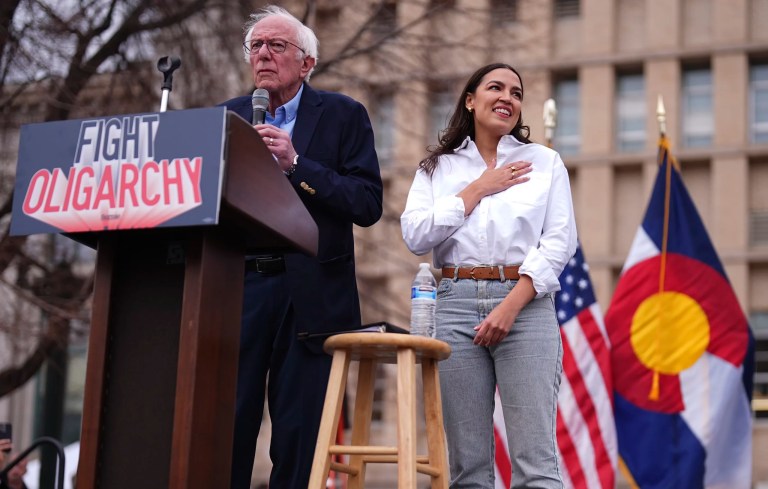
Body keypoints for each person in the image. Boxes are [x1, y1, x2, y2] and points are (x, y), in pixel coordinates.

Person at [220, 5, 383, 489]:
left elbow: (367, 203)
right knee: (226, 427)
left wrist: (297, 165)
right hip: (236, 290)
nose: (263, 55)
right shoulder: (224, 117)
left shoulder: (343, 115)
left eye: (277, 46)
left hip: (310, 296)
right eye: (256, 46)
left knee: (299, 436)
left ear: (307, 63)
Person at [401, 62, 577, 488]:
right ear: (470, 99)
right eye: (496, 88)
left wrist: (511, 305)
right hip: (454, 305)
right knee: (468, 468)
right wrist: (478, 188)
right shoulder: (436, 169)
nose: (508, 98)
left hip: (527, 306)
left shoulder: (545, 162)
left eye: (516, 93)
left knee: (536, 463)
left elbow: (560, 242)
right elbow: (415, 234)